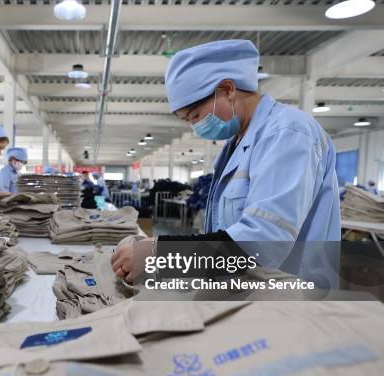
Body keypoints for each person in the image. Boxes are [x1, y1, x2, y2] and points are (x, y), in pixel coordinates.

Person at [112, 39, 341, 282]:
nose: (195, 127)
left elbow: (265, 241)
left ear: (227, 90)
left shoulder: (288, 133)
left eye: (195, 116)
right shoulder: (236, 146)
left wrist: (161, 255)